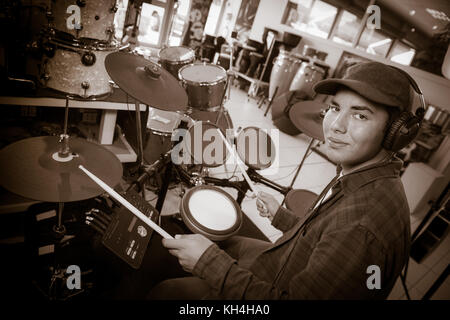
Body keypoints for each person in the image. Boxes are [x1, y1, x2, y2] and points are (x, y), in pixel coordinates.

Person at [105, 61, 420, 300]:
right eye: (335, 108)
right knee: (219, 241)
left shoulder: (363, 226)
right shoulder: (363, 174)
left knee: (170, 292)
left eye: (361, 115)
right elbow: (322, 237)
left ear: (396, 133)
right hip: (283, 260)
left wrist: (209, 264)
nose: (335, 126)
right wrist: (283, 218)